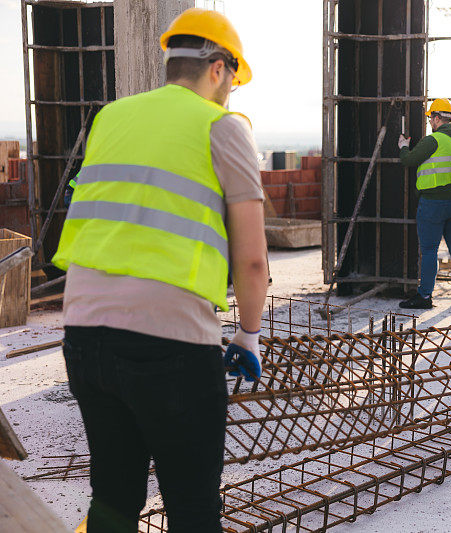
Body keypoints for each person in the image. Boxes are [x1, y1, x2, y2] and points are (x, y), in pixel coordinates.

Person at [52, 8, 269, 531]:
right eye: (232, 83)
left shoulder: (111, 117)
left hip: (85, 335)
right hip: (169, 345)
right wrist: (247, 335)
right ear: (217, 68)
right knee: (193, 507)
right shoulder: (222, 127)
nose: (230, 95)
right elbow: (254, 258)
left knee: (114, 498)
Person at [397, 98, 451, 309]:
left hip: (434, 204)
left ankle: (424, 296)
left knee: (430, 249)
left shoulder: (433, 140)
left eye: (430, 119)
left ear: (435, 118)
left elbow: (408, 160)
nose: (430, 123)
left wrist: (404, 147)